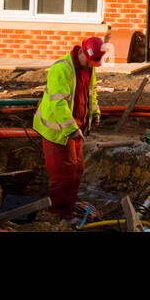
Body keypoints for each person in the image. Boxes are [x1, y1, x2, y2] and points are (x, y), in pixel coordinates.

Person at [33, 36, 104, 219]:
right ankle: (57, 214)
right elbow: (58, 104)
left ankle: (68, 207)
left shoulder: (89, 67)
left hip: (75, 129)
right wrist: (71, 128)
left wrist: (95, 112)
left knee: (76, 171)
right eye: (89, 61)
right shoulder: (61, 69)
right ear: (81, 51)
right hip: (57, 131)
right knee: (63, 175)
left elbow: (91, 92)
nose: (90, 65)